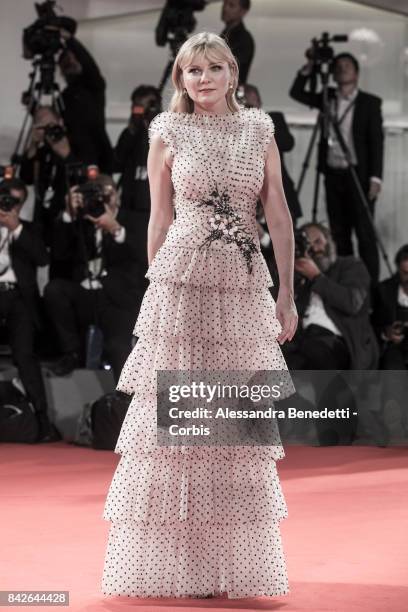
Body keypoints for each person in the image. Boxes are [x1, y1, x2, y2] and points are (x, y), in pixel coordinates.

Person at [101, 32, 297, 599]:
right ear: (179, 78)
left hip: (240, 286)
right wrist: (153, 289)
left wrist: (285, 295)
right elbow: (158, 219)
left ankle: (227, 567)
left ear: (233, 73)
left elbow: (278, 215)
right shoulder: (166, 130)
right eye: (193, 71)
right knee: (178, 427)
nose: (204, 78)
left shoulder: (259, 128)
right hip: (181, 287)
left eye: (214, 68)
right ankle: (176, 565)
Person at [289, 52, 384, 284]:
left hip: (358, 176)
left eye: (347, 65)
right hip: (333, 174)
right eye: (338, 66)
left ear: (357, 73)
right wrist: (309, 67)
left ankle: (370, 294)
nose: (342, 69)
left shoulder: (369, 103)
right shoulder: (327, 97)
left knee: (365, 235)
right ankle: (346, 284)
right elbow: (296, 93)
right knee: (339, 234)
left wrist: (376, 178)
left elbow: (376, 142)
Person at [43, 174, 146, 382]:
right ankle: (71, 353)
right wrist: (68, 213)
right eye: (98, 193)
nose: (104, 198)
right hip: (87, 295)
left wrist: (115, 229)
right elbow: (59, 254)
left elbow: (145, 257)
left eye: (108, 192)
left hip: (119, 300)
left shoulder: (135, 219)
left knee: (118, 346)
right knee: (55, 290)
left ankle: (127, 402)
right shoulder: (83, 222)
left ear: (117, 195)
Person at [0, 178, 60, 443]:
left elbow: (42, 258)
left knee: (25, 355)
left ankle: (42, 419)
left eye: (13, 202)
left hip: (19, 298)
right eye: (5, 199)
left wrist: (16, 229)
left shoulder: (29, 229)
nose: (7, 206)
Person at [58, 28, 113, 173]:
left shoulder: (94, 86)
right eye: (65, 62)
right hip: (73, 159)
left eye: (73, 59)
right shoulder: (63, 96)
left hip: (97, 158)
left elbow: (89, 65)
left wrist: (70, 40)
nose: (70, 63)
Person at [220, 0, 255, 84]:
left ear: (243, 12)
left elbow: (229, 68)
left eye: (231, 5)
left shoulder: (244, 39)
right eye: (224, 4)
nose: (225, 8)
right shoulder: (225, 34)